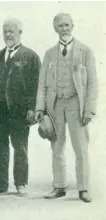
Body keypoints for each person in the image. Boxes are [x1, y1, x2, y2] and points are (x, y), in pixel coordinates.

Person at [35, 13, 97, 203]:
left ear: (73, 26)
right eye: (60, 26)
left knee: (81, 148)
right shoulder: (49, 53)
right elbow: (42, 84)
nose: (64, 28)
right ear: (55, 29)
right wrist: (40, 108)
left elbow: (93, 83)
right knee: (57, 146)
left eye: (67, 25)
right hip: (55, 106)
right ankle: (59, 186)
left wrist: (89, 109)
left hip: (76, 105)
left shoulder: (85, 51)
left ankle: (83, 189)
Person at [0, 18, 41, 196]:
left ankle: (21, 183)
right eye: (5, 31)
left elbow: (36, 85)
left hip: (19, 112)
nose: (8, 34)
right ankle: (1, 183)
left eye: (11, 31)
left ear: (20, 33)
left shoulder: (30, 56)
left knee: (20, 147)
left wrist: (32, 108)